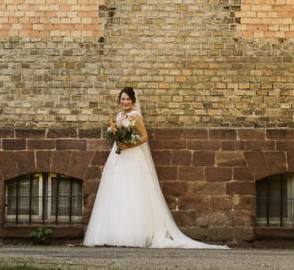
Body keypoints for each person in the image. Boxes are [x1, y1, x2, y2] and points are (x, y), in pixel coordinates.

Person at [83, 87, 228, 249]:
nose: (124, 102)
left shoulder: (135, 117)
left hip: (132, 156)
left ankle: (134, 234)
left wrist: (130, 144)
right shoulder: (118, 116)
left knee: (133, 191)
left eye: (127, 99)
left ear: (133, 101)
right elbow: (116, 137)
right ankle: (112, 233)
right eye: (122, 99)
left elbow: (144, 137)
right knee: (116, 192)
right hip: (118, 157)